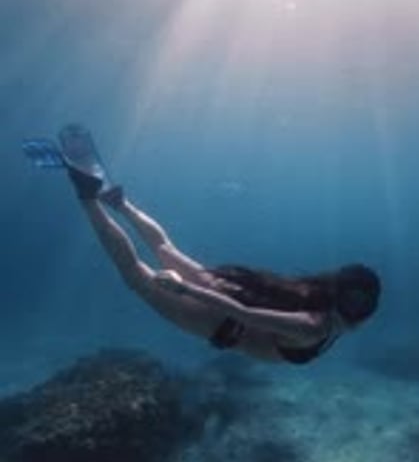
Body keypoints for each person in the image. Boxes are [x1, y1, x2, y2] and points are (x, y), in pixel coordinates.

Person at [26, 130, 381, 364]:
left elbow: (251, 309)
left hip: (232, 293)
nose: (355, 312)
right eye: (355, 302)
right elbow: (246, 316)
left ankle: (121, 203)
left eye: (362, 304)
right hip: (223, 323)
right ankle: (88, 198)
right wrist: (183, 290)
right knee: (136, 276)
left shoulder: (313, 297)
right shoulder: (315, 326)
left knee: (165, 248)